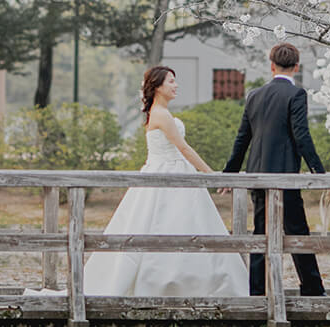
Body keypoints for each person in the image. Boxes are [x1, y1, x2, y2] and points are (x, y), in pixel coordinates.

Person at [82, 65, 249, 296]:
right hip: (169, 173)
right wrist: (211, 175)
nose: (175, 85)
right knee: (169, 223)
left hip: (170, 170)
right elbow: (183, 148)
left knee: (183, 224)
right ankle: (168, 284)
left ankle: (186, 281)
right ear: (158, 86)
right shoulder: (160, 114)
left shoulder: (157, 112)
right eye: (171, 81)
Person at [222, 42, 327, 297]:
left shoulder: (254, 95)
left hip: (257, 176)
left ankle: (257, 292)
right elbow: (302, 136)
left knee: (261, 234)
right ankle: (312, 289)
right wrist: (319, 173)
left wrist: (229, 173)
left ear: (271, 66)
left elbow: (242, 138)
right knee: (298, 232)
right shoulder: (296, 95)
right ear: (296, 67)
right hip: (284, 178)